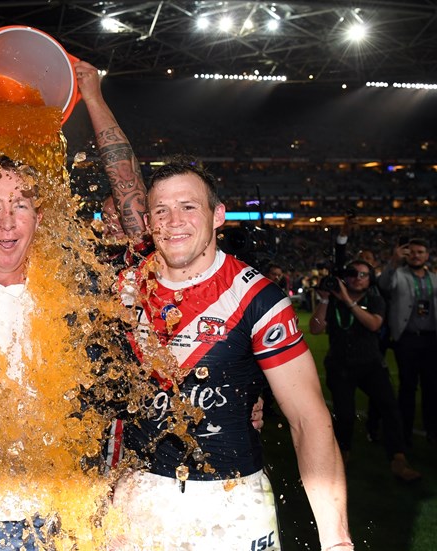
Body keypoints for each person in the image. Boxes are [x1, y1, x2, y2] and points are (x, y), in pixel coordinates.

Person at [76, 62, 350, 551]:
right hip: (136, 498)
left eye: (189, 207)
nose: (173, 220)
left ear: (218, 216)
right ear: (147, 220)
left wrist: (337, 542)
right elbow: (123, 176)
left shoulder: (257, 297)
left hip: (233, 503)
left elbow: (311, 420)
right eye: (160, 210)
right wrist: (91, 97)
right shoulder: (122, 286)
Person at [309, 260, 420, 480]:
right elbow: (315, 328)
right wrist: (324, 299)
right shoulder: (332, 300)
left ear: (370, 279)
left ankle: (398, 458)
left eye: (363, 274)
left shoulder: (375, 299)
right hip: (340, 365)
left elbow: (374, 325)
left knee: (389, 407)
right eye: (352, 273)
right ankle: (342, 455)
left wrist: (348, 301)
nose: (357, 278)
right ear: (345, 276)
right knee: (345, 414)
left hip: (370, 364)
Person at [377, 237, 437, 446]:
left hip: (431, 340)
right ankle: (406, 432)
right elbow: (383, 285)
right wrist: (393, 262)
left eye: (420, 252)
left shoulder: (434, 278)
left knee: (432, 387)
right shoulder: (398, 274)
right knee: (407, 387)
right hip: (407, 339)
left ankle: (432, 429)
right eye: (411, 252)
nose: (416, 255)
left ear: (427, 255)